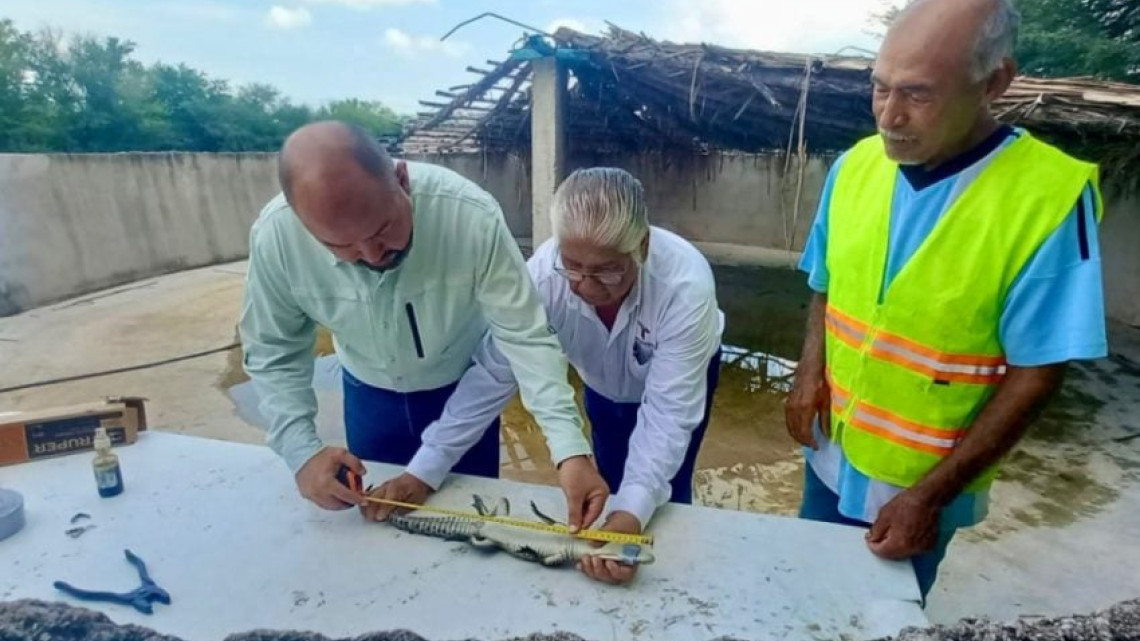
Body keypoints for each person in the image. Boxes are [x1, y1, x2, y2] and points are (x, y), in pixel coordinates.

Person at [785, 0, 1107, 601]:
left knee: (878, 616)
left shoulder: (1048, 199)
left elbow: (1038, 372)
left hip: (921, 480)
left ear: (995, 83)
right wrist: (808, 373)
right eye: (880, 88)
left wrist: (930, 495)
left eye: (918, 94)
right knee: (804, 594)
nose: (890, 116)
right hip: (832, 450)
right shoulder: (855, 166)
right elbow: (823, 284)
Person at [239, 121, 609, 531]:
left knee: (471, 524)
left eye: (382, 230)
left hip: (462, 389)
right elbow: (273, 351)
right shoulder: (276, 237)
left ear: (402, 180)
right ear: (302, 224)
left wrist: (569, 450)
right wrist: (302, 452)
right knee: (379, 527)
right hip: (369, 397)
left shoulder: (469, 216)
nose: (371, 255)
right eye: (340, 246)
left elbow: (524, 335)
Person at [364, 167, 724, 585]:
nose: (586, 288)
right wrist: (425, 469)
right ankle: (610, 537)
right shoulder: (543, 276)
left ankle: (668, 577)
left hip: (679, 382)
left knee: (665, 492)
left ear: (641, 245)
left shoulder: (685, 286)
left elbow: (668, 414)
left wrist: (631, 513)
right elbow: (495, 373)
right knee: (606, 472)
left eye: (608, 271)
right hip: (600, 382)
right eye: (573, 266)